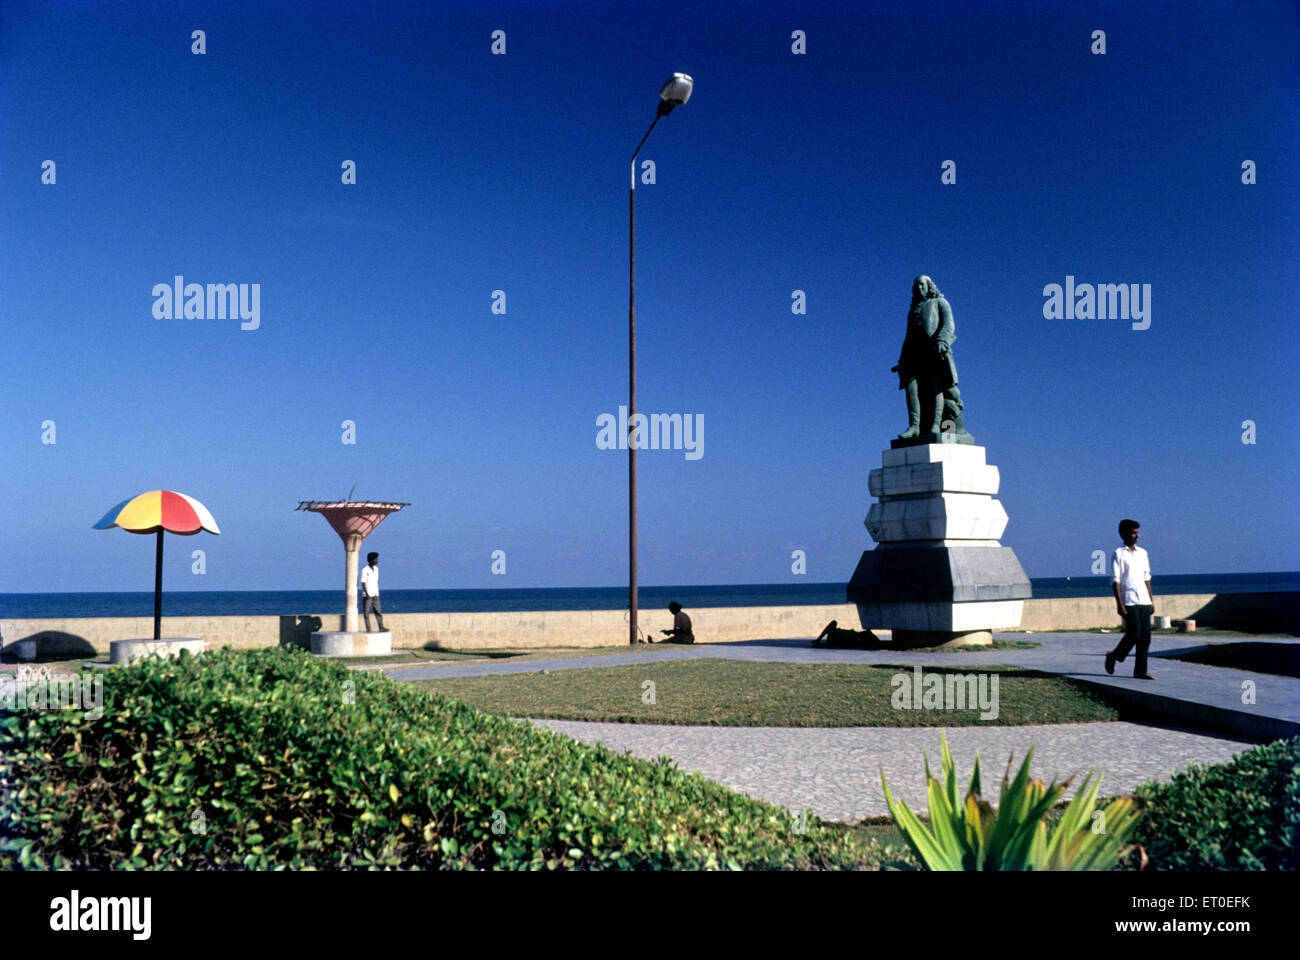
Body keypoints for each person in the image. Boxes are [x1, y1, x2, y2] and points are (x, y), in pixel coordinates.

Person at [893, 275, 970, 442]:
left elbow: (949, 325)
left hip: (934, 352)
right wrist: (901, 360)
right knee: (911, 388)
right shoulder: (913, 309)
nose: (919, 288)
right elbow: (909, 336)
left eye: (922, 285)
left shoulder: (940, 303)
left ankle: (936, 425)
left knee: (936, 388)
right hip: (914, 354)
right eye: (916, 286)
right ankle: (914, 426)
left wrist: (943, 340)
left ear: (929, 286)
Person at [1105, 520, 1155, 679]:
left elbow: (1147, 577)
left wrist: (1151, 600)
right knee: (1134, 633)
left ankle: (1140, 671)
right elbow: (1115, 580)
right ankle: (1114, 656)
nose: (1137, 536)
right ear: (1124, 534)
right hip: (1128, 600)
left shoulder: (1143, 553)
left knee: (1146, 636)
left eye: (1138, 533)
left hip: (1144, 599)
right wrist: (1119, 603)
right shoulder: (1118, 553)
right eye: (1133, 533)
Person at [813, 620, 889, 650]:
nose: (852, 629)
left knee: (834, 623)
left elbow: (833, 623)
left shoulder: (852, 639)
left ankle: (818, 639)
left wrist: (819, 641)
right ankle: (818, 639)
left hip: (841, 639)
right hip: (843, 639)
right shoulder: (856, 638)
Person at [360, 551, 386, 632]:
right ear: (371, 560)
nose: (377, 560)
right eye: (376, 559)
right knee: (366, 612)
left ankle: (381, 627)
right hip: (367, 594)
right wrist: (366, 593)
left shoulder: (377, 569)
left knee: (378, 611)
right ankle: (368, 628)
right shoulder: (365, 570)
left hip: (375, 593)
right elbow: (363, 582)